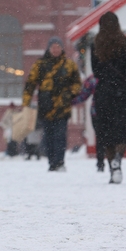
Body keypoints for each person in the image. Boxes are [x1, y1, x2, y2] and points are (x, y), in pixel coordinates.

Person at [90, 12, 126, 184]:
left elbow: (96, 71)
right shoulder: (125, 43)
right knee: (122, 132)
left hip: (104, 93)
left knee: (107, 133)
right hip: (123, 94)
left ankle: (113, 169)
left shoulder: (96, 44)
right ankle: (118, 157)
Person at [22, 36, 82, 172]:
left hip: (63, 106)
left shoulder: (69, 65)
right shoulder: (40, 64)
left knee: (60, 135)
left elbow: (77, 83)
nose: (56, 50)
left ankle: (59, 161)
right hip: (46, 106)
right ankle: (52, 161)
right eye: (53, 47)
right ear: (49, 49)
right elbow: (30, 83)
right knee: (48, 135)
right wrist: (26, 101)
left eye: (58, 47)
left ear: (62, 49)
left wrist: (70, 93)